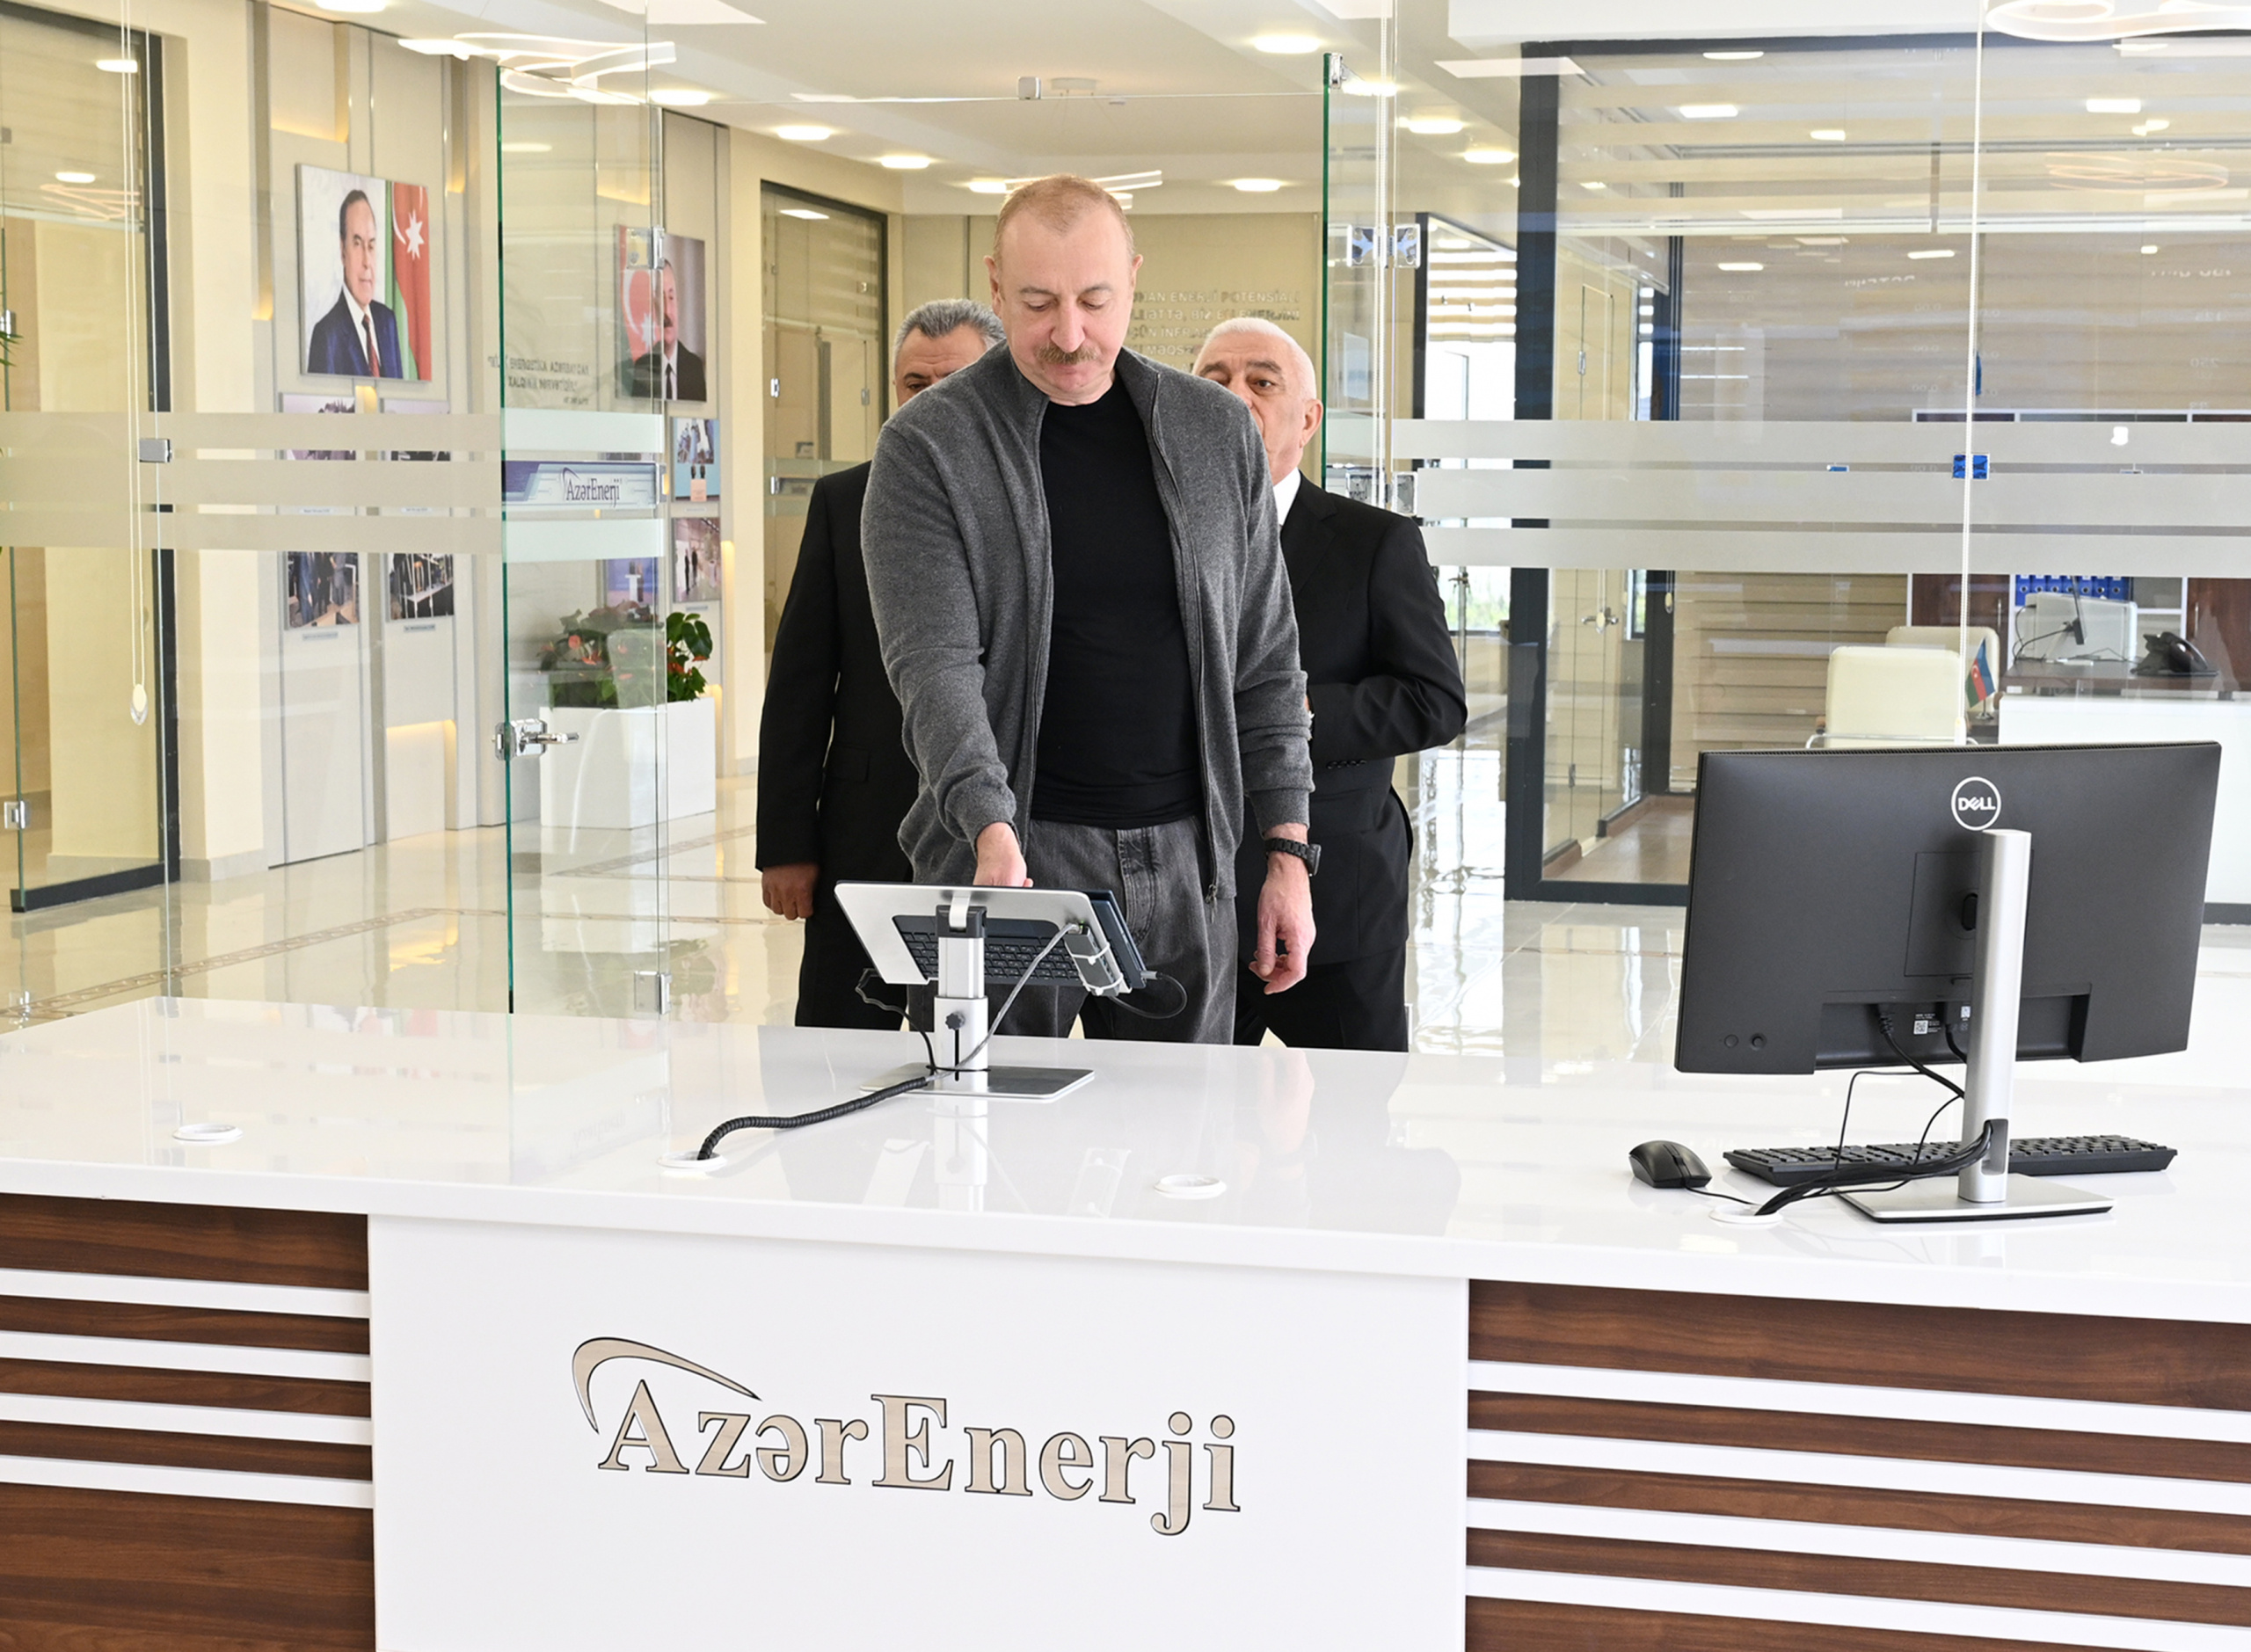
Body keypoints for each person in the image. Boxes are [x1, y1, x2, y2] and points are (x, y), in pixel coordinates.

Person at [861, 175, 1315, 1045]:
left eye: (1095, 302)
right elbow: (935, 670)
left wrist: (1286, 853)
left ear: (1133, 281)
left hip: (1190, 863)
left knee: (1185, 1126)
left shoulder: (1216, 432)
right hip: (1014, 855)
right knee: (990, 1119)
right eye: (1038, 304)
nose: (1069, 335)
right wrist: (989, 826)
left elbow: (1265, 662)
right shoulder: (929, 445)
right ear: (996, 286)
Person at [1193, 317, 1466, 1052]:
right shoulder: (1153, 537)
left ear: (1308, 419)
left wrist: (1294, 712)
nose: (1236, 396)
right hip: (1189, 899)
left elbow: (1435, 701)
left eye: (1262, 381)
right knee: (1181, 1111)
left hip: (1338, 892)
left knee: (1354, 1113)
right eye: (1215, 381)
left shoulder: (1375, 543)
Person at [758, 300, 1006, 1027]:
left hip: (993, 834)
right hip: (863, 832)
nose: (928, 402)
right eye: (913, 384)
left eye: (951, 383)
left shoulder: (1035, 499)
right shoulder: (845, 501)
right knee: (834, 1048)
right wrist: (785, 843)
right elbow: (801, 684)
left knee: (970, 1045)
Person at [307, 190, 404, 379]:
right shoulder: (327, 336)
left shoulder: (388, 321)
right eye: (357, 244)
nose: (367, 262)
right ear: (343, 250)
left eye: (371, 246)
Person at [619, 260, 707, 402]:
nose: (667, 311)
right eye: (661, 299)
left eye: (671, 298)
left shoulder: (695, 368)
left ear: (678, 303)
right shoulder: (642, 369)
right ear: (654, 307)